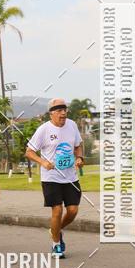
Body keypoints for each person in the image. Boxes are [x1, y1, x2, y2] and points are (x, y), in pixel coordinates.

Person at [25, 98, 83, 259]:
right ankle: (56, 245)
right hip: (51, 178)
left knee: (73, 211)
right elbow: (29, 152)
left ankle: (55, 230)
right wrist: (43, 162)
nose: (63, 113)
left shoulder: (72, 125)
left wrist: (80, 158)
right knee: (57, 210)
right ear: (51, 113)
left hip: (70, 177)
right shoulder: (44, 130)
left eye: (65, 109)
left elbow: (78, 146)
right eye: (59, 110)